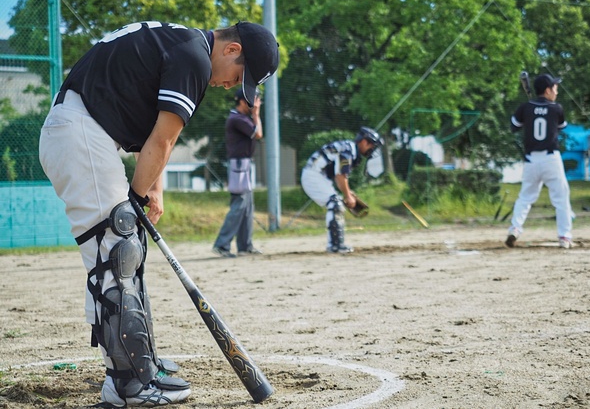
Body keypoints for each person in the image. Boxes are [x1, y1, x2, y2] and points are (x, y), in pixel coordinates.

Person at [39, 20, 279, 407]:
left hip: (85, 132)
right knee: (117, 257)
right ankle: (128, 383)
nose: (233, 85)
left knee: (125, 256)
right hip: (82, 135)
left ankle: (141, 365)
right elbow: (165, 139)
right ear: (231, 50)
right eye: (240, 77)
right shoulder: (194, 59)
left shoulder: (180, 44)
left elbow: (149, 127)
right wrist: (135, 195)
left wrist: (152, 191)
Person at [505, 73, 573, 249]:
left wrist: (530, 114)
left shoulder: (525, 107)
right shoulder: (556, 108)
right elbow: (560, 126)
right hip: (551, 159)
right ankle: (564, 237)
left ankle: (515, 228)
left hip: (531, 160)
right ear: (548, 90)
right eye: (555, 88)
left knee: (525, 197)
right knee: (561, 198)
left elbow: (514, 126)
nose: (556, 91)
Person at [301, 127, 383, 253]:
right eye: (371, 145)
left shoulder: (348, 147)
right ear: (364, 141)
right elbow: (340, 175)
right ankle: (335, 245)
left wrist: (348, 193)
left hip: (319, 176)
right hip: (313, 175)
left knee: (336, 203)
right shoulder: (348, 150)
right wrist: (348, 196)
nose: (372, 149)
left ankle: (336, 244)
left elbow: (337, 174)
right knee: (335, 204)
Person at [212, 88, 263, 258]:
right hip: (239, 164)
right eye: (253, 100)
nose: (256, 104)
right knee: (239, 204)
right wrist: (256, 114)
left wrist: (254, 114)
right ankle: (222, 244)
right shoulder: (237, 118)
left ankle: (245, 245)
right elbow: (258, 134)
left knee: (247, 206)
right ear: (242, 102)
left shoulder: (240, 118)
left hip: (244, 164)